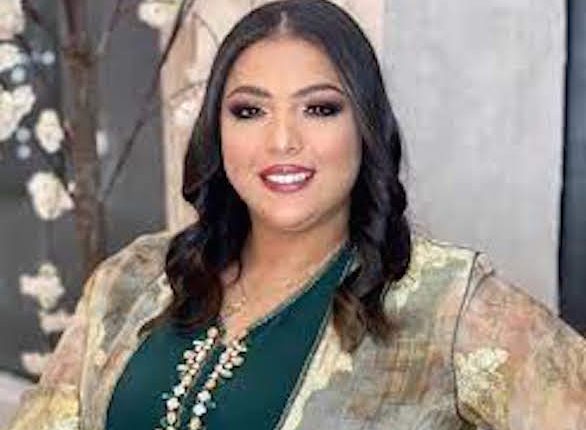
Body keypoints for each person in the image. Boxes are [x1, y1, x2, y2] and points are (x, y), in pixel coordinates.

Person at [6, 0, 585, 429]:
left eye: (319, 108)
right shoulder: (132, 281)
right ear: (217, 129)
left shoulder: (448, 304)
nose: (282, 140)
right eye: (249, 111)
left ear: (365, 126)